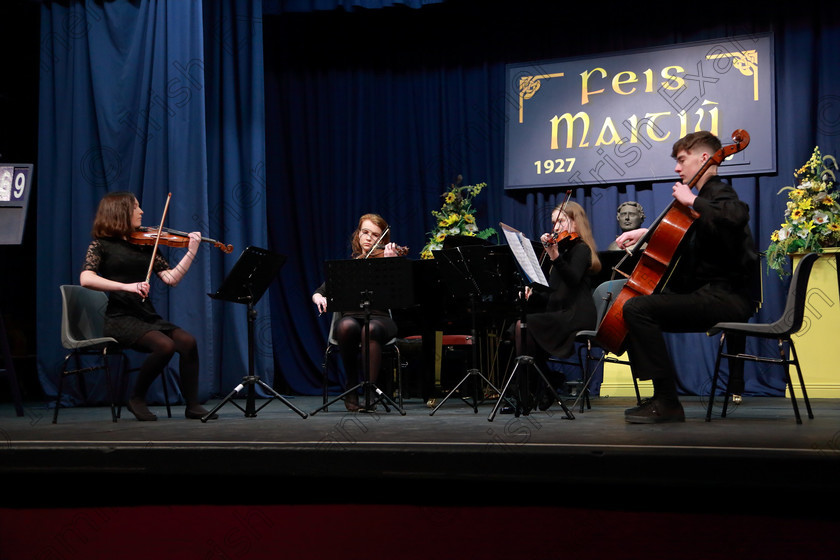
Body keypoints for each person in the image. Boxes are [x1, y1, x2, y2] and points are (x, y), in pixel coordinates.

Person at [614, 131, 759, 424]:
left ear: (704, 158)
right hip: (710, 294)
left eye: (682, 160)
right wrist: (646, 233)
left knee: (637, 309)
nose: (678, 168)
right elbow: (689, 237)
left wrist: (692, 200)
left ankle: (667, 401)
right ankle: (661, 396)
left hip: (727, 297)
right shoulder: (705, 200)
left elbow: (737, 214)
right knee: (633, 309)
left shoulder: (717, 191)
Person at [80, 191, 216, 421]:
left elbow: (171, 278)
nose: (141, 212)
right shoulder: (101, 246)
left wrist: (191, 251)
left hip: (146, 315)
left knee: (187, 342)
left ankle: (192, 405)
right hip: (119, 318)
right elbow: (86, 279)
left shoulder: (146, 244)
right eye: (136, 207)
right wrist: (128, 287)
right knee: (165, 346)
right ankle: (136, 398)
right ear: (120, 211)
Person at [513, 201, 601, 412]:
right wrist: (532, 294)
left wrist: (554, 256)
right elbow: (554, 294)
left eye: (561, 220)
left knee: (522, 327)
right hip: (560, 311)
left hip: (577, 314)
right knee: (519, 328)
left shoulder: (581, 249)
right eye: (554, 222)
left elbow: (571, 281)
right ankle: (544, 383)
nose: (556, 227)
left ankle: (534, 389)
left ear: (575, 221)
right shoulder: (561, 250)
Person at [312, 213, 402, 412]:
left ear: (382, 239)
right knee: (345, 325)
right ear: (358, 235)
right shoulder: (349, 267)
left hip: (381, 320)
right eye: (365, 232)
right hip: (352, 318)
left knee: (369, 329)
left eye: (375, 234)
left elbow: (400, 295)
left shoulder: (388, 261)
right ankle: (351, 385)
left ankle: (371, 390)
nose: (369, 238)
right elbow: (320, 291)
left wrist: (392, 264)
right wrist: (319, 297)